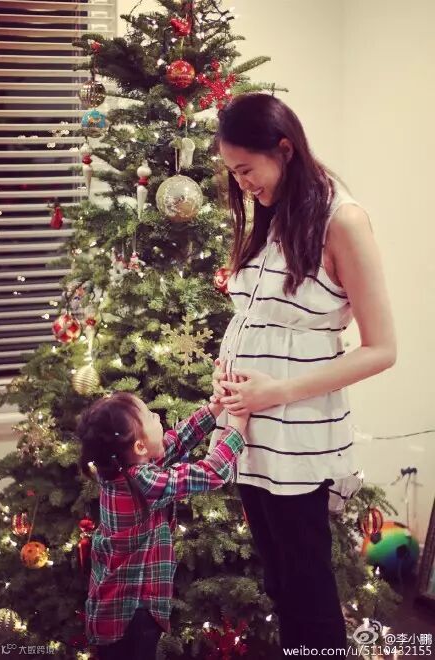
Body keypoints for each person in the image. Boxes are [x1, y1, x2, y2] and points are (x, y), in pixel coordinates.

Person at [210, 93, 396, 655]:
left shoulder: (344, 221)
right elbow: (257, 318)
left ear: (285, 150)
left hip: (299, 438)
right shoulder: (274, 214)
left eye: (247, 169)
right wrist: (226, 378)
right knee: (281, 583)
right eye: (233, 172)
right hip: (251, 433)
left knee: (308, 589)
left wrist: (275, 390)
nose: (242, 183)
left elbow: (382, 350)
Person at [77, 389, 248, 660]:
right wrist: (236, 428)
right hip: (132, 614)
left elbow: (174, 442)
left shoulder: (120, 468)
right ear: (139, 447)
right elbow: (211, 473)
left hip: (116, 607)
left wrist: (213, 409)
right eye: (150, 416)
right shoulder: (142, 482)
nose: (158, 417)